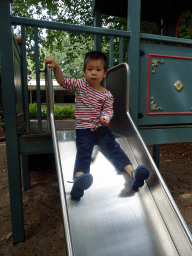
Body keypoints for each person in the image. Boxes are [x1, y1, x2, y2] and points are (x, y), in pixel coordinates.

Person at [45, 51, 150, 200]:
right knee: (83, 151)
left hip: (101, 129)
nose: (94, 73)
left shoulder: (107, 95)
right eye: (90, 69)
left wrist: (105, 118)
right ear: (84, 71)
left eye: (98, 70)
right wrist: (56, 67)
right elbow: (63, 82)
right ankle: (79, 181)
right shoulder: (80, 84)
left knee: (114, 148)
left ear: (104, 74)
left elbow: (108, 110)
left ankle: (133, 174)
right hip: (83, 129)